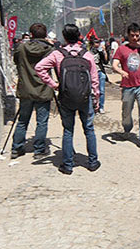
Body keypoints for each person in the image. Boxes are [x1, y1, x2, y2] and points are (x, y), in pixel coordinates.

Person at [35, 23, 100, 175]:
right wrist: (96, 99)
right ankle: (92, 162)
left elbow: (39, 68)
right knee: (89, 129)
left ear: (64, 37)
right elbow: (95, 81)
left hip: (66, 97)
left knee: (68, 130)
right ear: (78, 36)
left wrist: (54, 84)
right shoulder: (87, 54)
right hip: (85, 98)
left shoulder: (58, 54)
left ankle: (68, 165)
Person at [11, 22, 55, 160]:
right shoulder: (49, 50)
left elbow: (16, 61)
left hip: (26, 89)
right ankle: (39, 150)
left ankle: (17, 148)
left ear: (31, 35)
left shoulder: (21, 48)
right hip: (43, 89)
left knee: (23, 120)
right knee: (41, 122)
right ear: (46, 35)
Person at [112, 23, 140, 151]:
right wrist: (121, 72)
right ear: (128, 35)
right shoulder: (121, 49)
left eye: (137, 36)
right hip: (127, 87)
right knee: (126, 112)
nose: (134, 38)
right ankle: (127, 129)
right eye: (132, 36)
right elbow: (114, 65)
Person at [91, 38, 108, 113]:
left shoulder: (100, 51)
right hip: (92, 73)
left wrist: (104, 51)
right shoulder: (88, 53)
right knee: (93, 91)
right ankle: (94, 106)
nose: (97, 44)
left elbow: (105, 62)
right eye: (96, 43)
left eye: (98, 43)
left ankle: (101, 106)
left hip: (100, 72)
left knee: (102, 90)